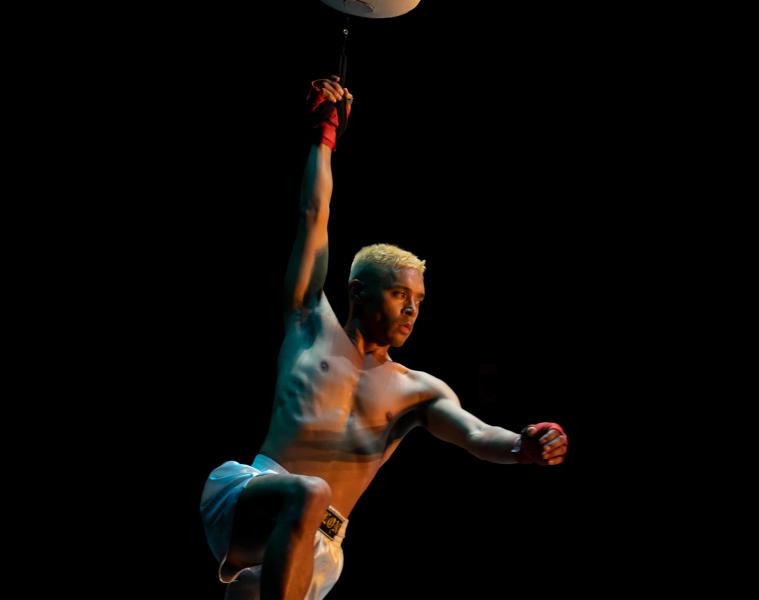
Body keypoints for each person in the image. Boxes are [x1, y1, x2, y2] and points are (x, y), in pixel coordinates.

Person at [200, 75, 569, 600]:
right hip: (257, 501)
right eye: (399, 294)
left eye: (418, 299)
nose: (412, 308)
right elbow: (313, 216)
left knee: (308, 514)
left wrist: (522, 446)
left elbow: (476, 433)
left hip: (321, 545)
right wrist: (324, 138)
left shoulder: (417, 390)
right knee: (308, 492)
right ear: (358, 293)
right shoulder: (310, 323)